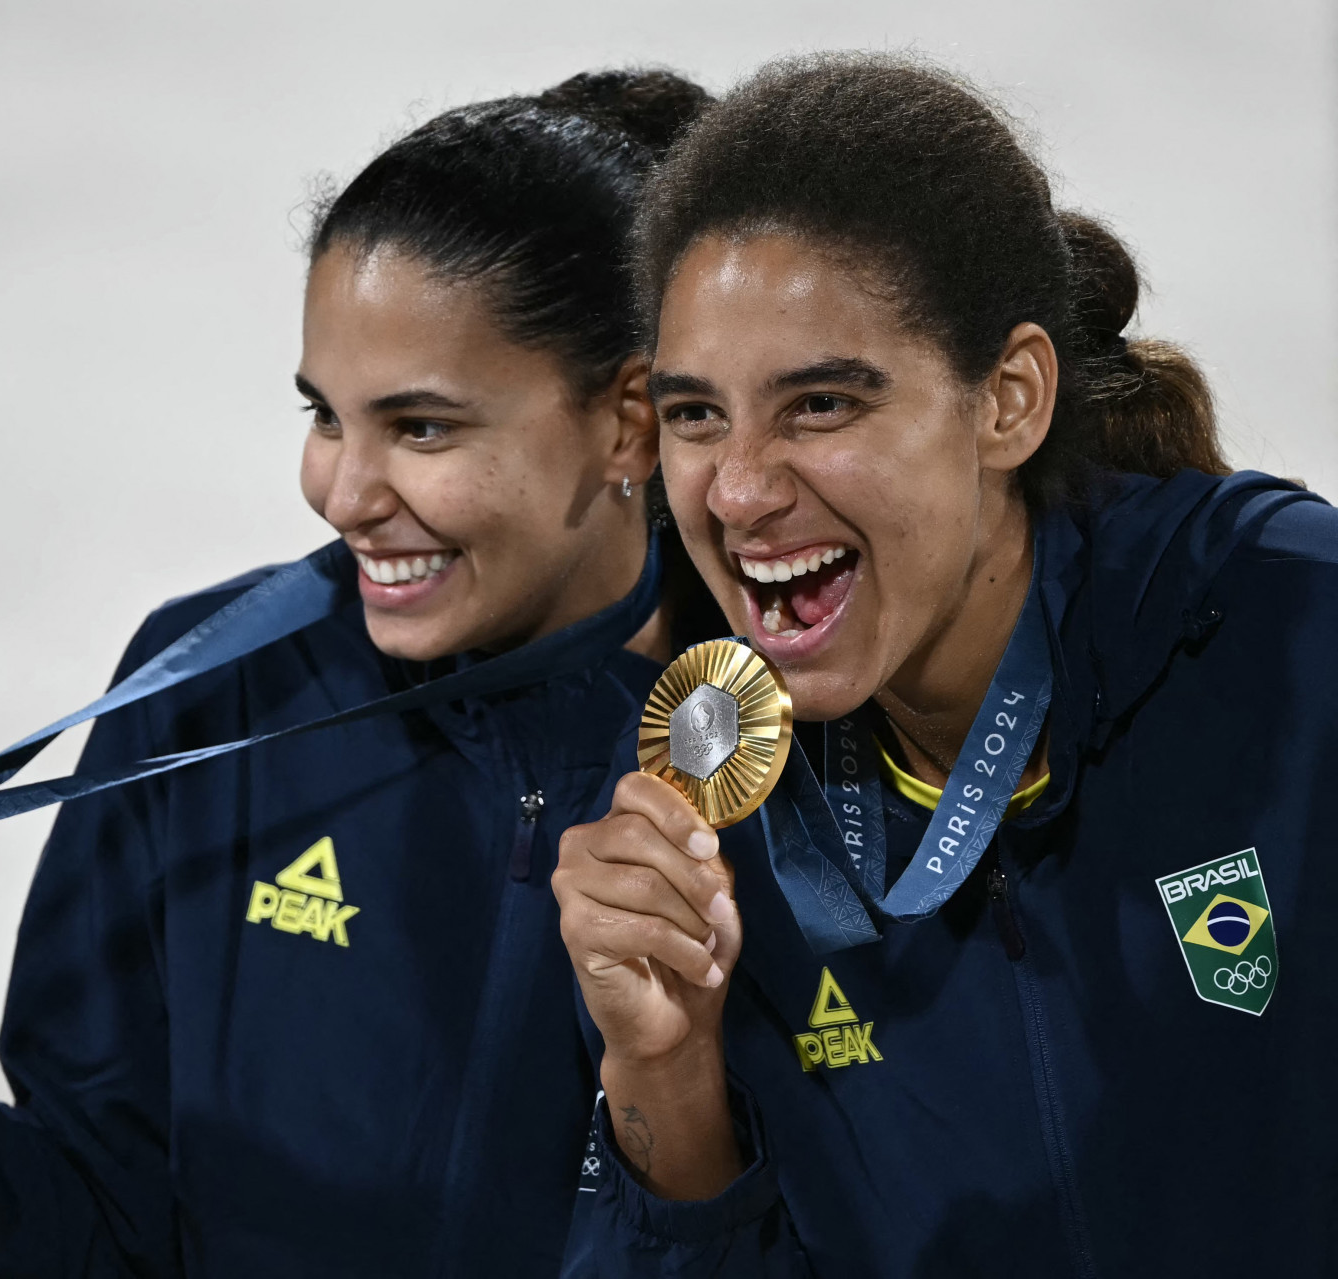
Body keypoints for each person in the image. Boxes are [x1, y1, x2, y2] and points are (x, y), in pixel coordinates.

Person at [0, 70, 726, 1276]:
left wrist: (672, 1083)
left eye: (421, 427)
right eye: (326, 417)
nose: (343, 493)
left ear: (628, 421)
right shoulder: (212, 699)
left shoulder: (783, 760)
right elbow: (106, 1227)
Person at [555, 54, 1336, 1276]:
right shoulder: (697, 805)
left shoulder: (1290, 633)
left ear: (1008, 401)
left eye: (821, 404)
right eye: (697, 414)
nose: (739, 490)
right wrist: (661, 1064)